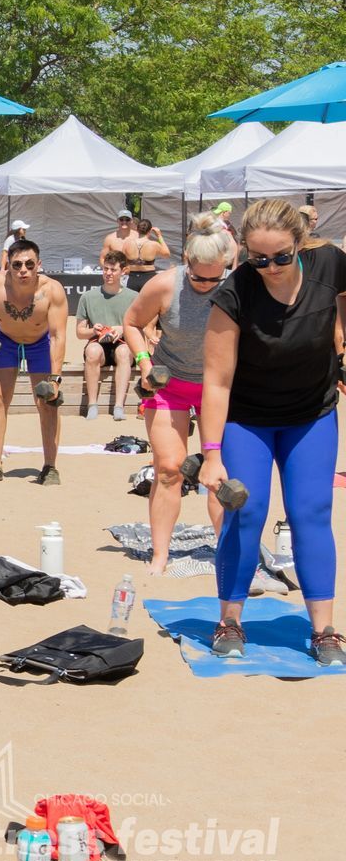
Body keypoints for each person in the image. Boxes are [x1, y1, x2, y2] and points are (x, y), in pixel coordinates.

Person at [198, 199, 346, 664]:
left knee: (311, 512)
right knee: (247, 511)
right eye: (259, 259)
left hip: (312, 414)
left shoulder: (330, 264)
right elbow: (216, 382)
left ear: (300, 244)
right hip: (247, 419)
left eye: (281, 256)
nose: (271, 267)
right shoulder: (235, 293)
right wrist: (211, 453)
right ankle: (230, 621)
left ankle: (324, 631)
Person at [120, 215, 230, 576]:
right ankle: (160, 554)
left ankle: (226, 552)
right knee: (169, 468)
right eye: (199, 278)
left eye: (215, 278)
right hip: (170, 385)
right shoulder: (165, 285)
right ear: (187, 260)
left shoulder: (236, 285)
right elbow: (131, 323)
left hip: (219, 388)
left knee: (219, 473)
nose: (207, 285)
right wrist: (143, 362)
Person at [0, 239, 68, 485]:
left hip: (40, 342)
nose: (23, 270)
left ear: (39, 264)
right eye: (17, 265)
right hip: (4, 341)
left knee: (47, 401)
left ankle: (50, 467)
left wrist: (55, 379)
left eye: (29, 264)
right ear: (9, 266)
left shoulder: (52, 290)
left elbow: (58, 336)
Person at [75, 252, 135, 420]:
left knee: (124, 352)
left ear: (123, 271)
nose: (108, 273)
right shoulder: (88, 297)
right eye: (105, 269)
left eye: (113, 270)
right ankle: (92, 405)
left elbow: (141, 328)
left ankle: (118, 406)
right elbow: (79, 332)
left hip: (122, 343)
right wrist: (93, 331)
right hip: (98, 343)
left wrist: (123, 329)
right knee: (92, 351)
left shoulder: (133, 297)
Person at [128, 218, 169, 290]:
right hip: (148, 278)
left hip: (132, 278)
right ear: (150, 231)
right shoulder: (154, 244)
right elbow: (167, 254)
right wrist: (159, 236)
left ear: (137, 229)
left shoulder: (127, 244)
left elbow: (122, 260)